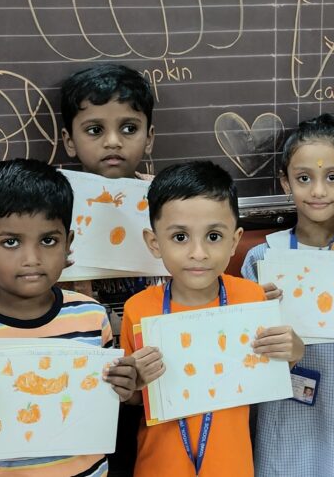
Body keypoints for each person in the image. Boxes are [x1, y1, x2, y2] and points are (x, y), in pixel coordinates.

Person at [0, 159, 138, 476]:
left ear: (68, 244)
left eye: (48, 240)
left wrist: (125, 388)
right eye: (10, 242)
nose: (32, 258)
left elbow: (103, 408)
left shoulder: (92, 317)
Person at [123, 161, 305, 477]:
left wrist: (294, 351)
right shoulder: (138, 309)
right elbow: (136, 398)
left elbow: (267, 372)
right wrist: (131, 386)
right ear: (154, 243)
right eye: (180, 237)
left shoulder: (251, 298)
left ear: (234, 241)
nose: (199, 253)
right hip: (159, 467)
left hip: (232, 466)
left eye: (213, 236)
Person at [240, 113, 334, 476]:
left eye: (332, 177)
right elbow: (242, 349)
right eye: (304, 178)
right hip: (280, 410)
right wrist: (251, 312)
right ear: (285, 182)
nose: (318, 191)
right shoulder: (263, 257)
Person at [59, 63, 161, 475]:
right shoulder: (53, 208)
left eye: (129, 128)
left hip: (156, 376)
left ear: (149, 137)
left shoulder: (168, 203)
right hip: (83, 377)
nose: (113, 141)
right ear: (69, 141)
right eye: (95, 130)